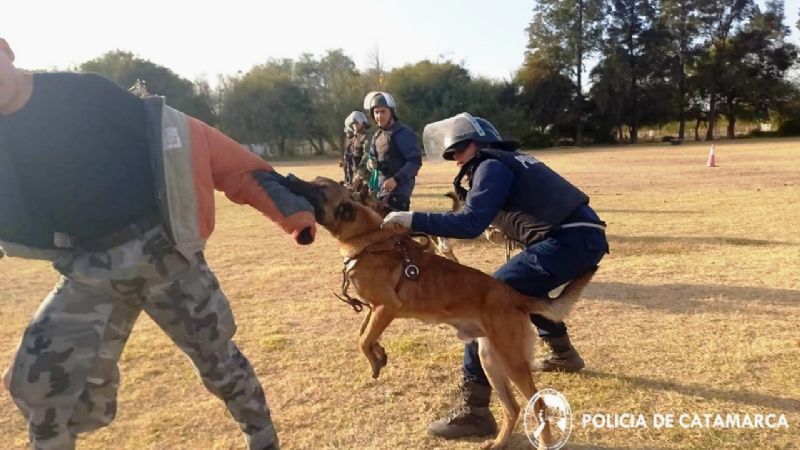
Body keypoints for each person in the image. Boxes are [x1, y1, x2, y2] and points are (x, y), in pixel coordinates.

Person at [0, 38, 317, 450]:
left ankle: (263, 440)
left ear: (5, 50)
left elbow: (188, 140)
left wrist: (289, 210)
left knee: (217, 360)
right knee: (35, 377)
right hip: (88, 269)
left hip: (162, 254)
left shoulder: (83, 92)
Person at [382, 112, 608, 440]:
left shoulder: (491, 165)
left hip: (569, 241)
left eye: (457, 153)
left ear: (475, 146)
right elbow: (542, 206)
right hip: (582, 237)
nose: (456, 163)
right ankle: (563, 353)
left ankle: (475, 411)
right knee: (518, 296)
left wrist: (413, 219)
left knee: (487, 303)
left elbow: (470, 222)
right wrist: (513, 232)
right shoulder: (511, 160)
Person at [361, 91, 421, 211]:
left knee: (394, 228)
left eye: (383, 111)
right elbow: (371, 157)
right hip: (380, 191)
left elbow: (414, 162)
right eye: (376, 112)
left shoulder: (403, 133)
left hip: (399, 194)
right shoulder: (377, 135)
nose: (379, 116)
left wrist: (396, 179)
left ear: (392, 112)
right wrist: (370, 164)